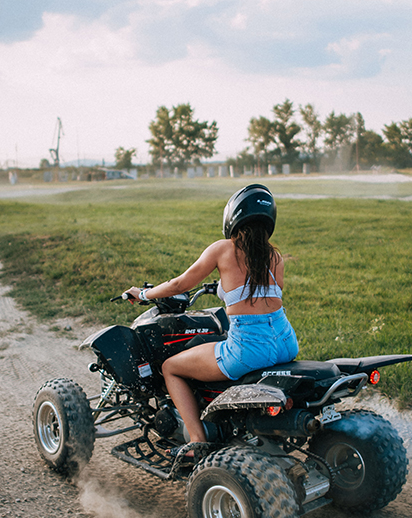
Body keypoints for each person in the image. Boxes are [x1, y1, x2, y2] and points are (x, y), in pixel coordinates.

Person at [125, 183, 299, 447]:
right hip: (286, 343)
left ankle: (197, 440)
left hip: (249, 350)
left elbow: (179, 285)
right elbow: (263, 296)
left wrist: (144, 294)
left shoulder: (223, 249)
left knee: (170, 367)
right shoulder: (275, 257)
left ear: (233, 217)